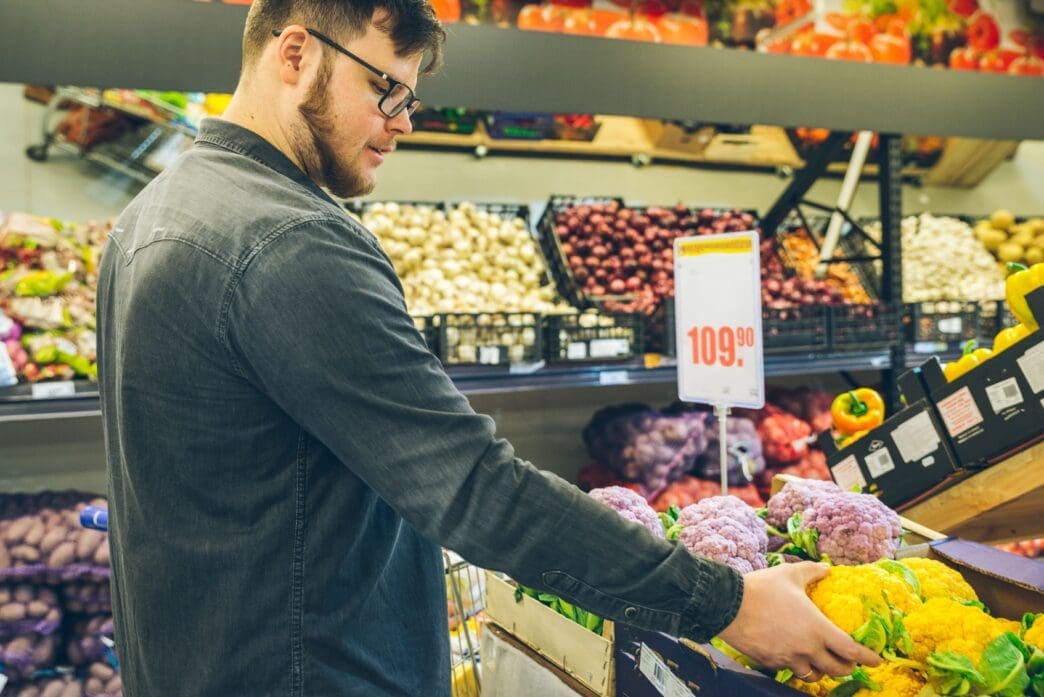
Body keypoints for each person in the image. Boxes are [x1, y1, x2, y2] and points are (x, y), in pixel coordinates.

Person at [95, 1, 880, 695]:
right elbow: (474, 487)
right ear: (294, 55)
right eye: (385, 89)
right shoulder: (292, 242)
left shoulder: (150, 215)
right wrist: (729, 604)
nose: (405, 119)